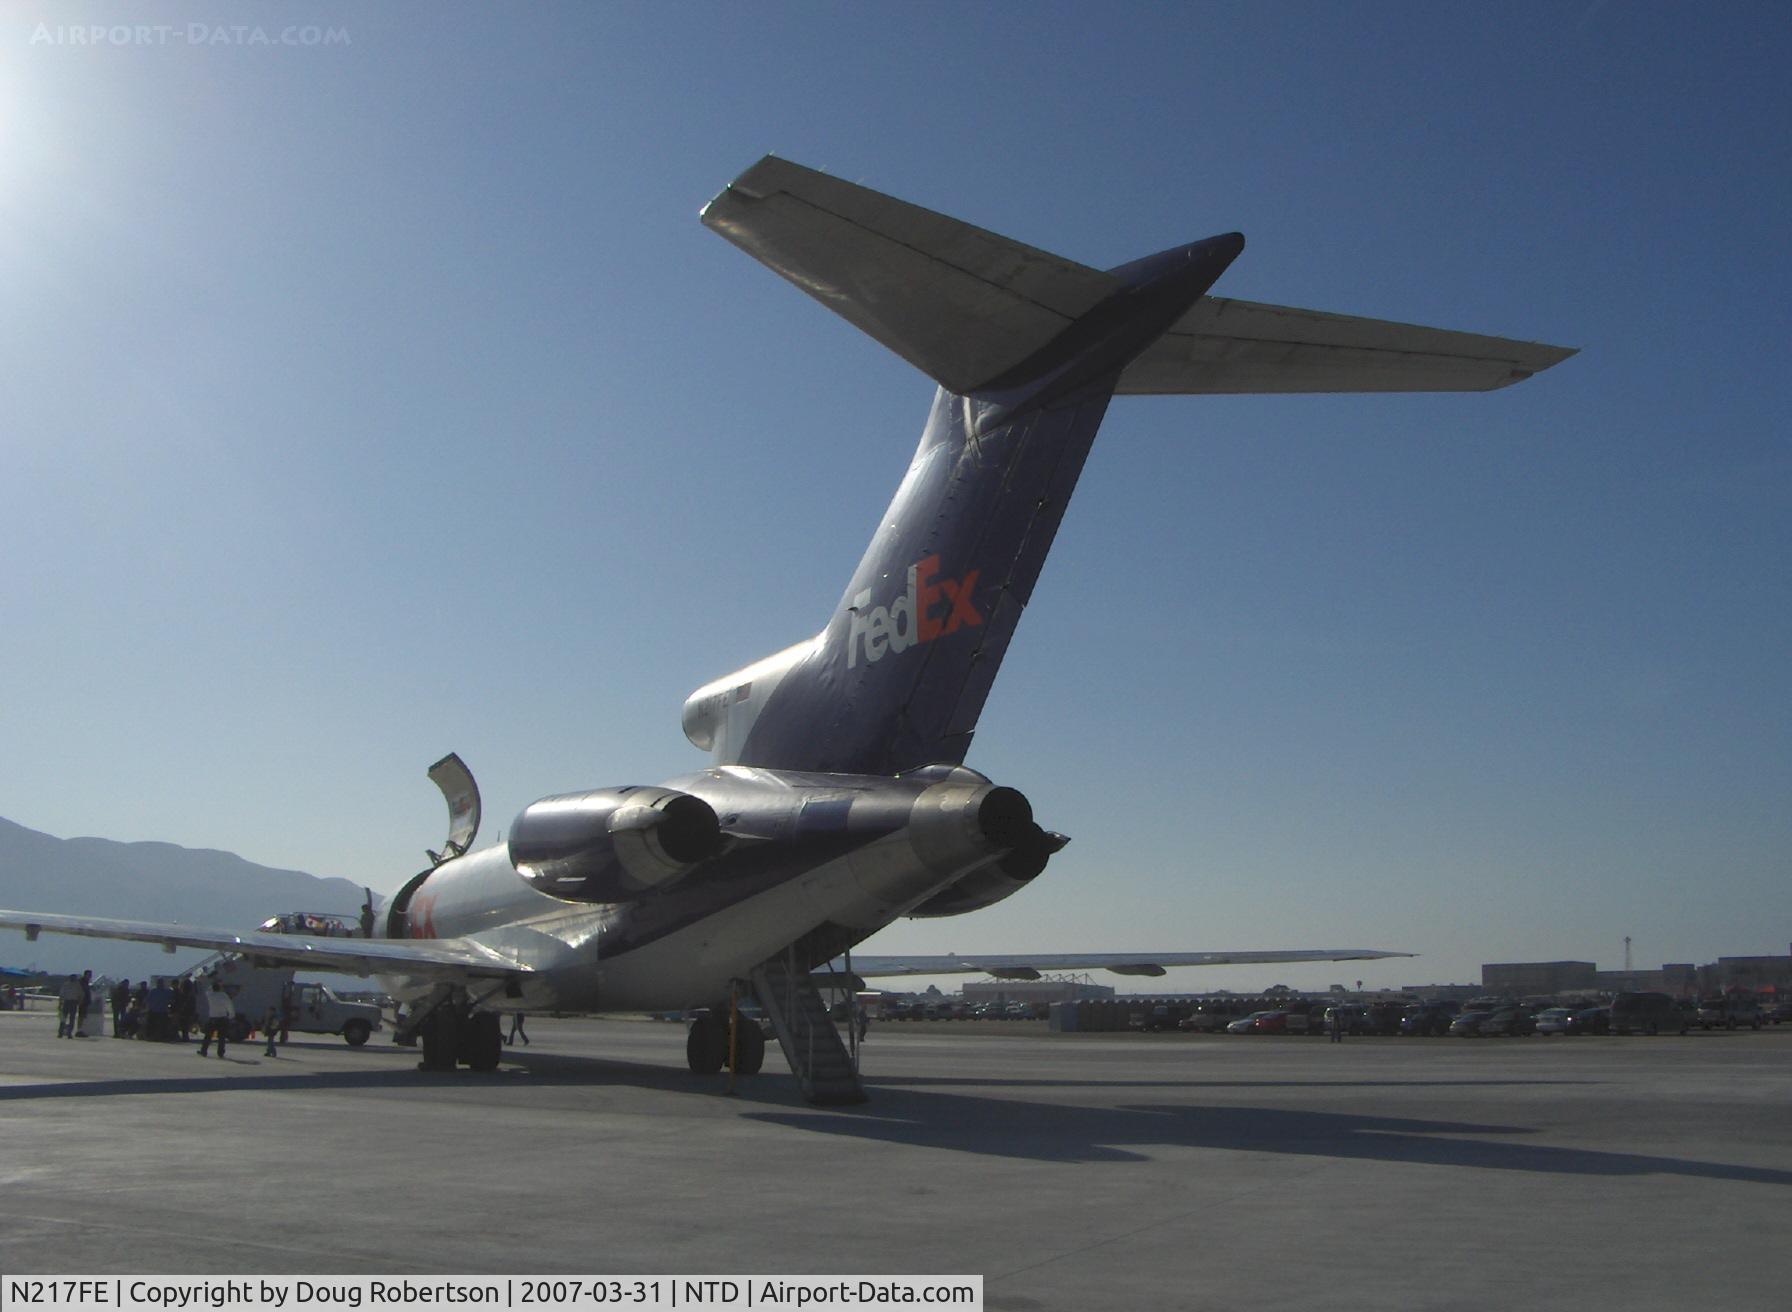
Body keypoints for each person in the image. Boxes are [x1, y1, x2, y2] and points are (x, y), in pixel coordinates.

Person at [195, 978, 234, 1058]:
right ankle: (220, 1053)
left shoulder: (210, 995)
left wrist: (214, 984)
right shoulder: (224, 995)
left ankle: (204, 1051)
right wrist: (231, 1015)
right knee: (222, 1037)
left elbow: (207, 990)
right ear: (220, 988)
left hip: (213, 1018)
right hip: (223, 1018)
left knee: (208, 1036)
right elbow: (230, 1006)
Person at [56, 973, 82, 1038]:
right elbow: (61, 995)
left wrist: (79, 1002)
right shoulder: (66, 985)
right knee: (63, 1019)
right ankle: (60, 1032)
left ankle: (69, 1033)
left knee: (72, 1019)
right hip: (66, 1002)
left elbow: (80, 995)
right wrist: (60, 1003)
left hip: (73, 1002)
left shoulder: (77, 985)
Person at [75, 969, 94, 1037]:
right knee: (81, 1016)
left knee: (83, 1016)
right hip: (82, 1001)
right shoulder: (82, 982)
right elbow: (81, 991)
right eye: (89, 975)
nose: (90, 976)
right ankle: (79, 1030)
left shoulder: (86, 982)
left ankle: (81, 1030)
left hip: (85, 1001)